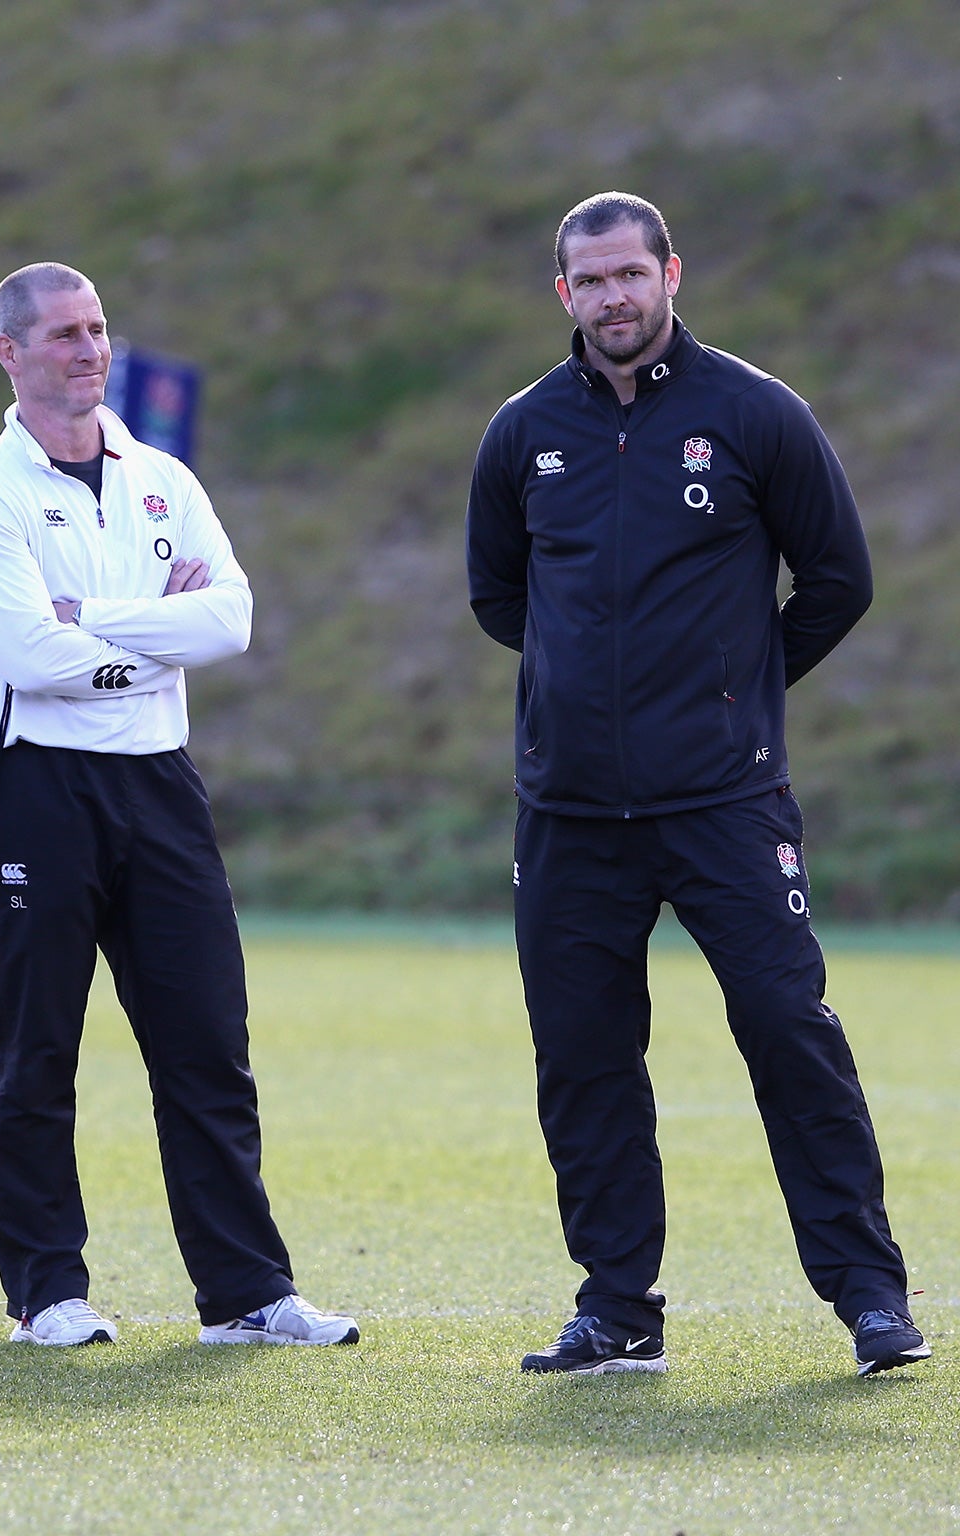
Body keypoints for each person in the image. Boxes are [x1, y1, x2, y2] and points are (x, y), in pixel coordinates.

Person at [466, 192, 928, 1378]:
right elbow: (499, 599)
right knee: (580, 1056)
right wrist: (591, 694)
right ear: (560, 293)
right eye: (589, 279)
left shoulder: (754, 412)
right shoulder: (522, 433)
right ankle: (615, 1308)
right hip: (567, 808)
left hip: (723, 801)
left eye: (631, 272)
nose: (613, 296)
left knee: (786, 1029)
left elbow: (835, 578)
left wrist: (735, 692)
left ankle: (869, 1294)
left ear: (670, 272)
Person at [0, 262, 360, 1349]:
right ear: (11, 354)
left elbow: (230, 620)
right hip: (35, 779)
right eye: (63, 335)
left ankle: (246, 1294)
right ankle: (47, 1292)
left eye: (97, 329)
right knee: (36, 1048)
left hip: (158, 782)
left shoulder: (160, 475)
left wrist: (99, 621)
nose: (87, 350)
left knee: (205, 1040)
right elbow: (25, 651)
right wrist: (141, 650)